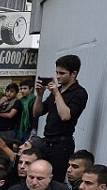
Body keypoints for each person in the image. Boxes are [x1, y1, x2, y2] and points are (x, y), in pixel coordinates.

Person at [33, 54, 88, 182]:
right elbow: (37, 113)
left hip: (62, 145)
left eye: (62, 73)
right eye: (57, 73)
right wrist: (40, 95)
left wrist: (57, 94)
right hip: (47, 141)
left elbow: (65, 116)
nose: (58, 76)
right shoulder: (56, 91)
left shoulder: (79, 93)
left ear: (73, 74)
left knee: (55, 180)